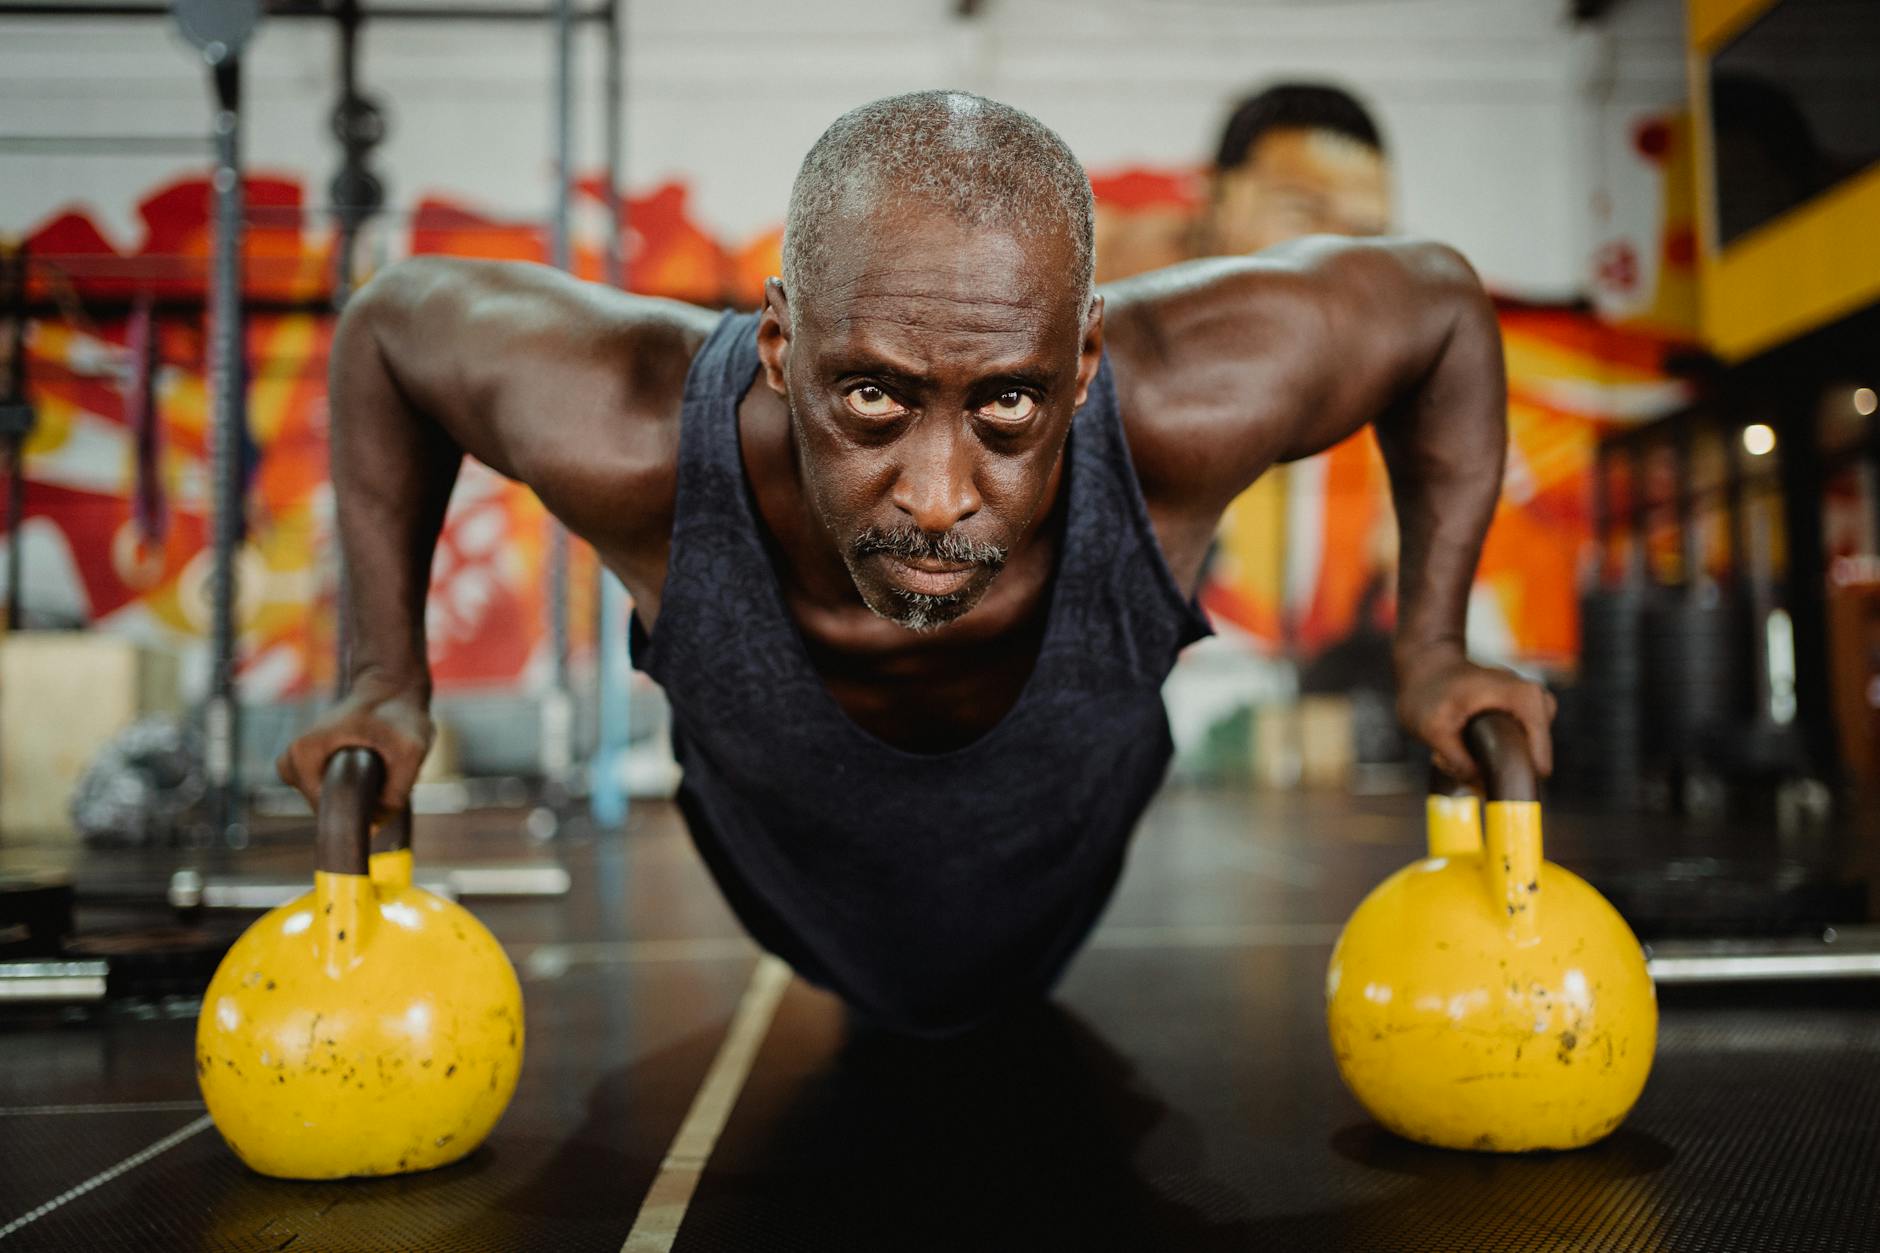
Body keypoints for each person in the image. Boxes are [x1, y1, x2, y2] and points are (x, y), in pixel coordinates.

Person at [279, 90, 1553, 1036]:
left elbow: (1436, 306)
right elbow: (392, 328)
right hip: (787, 880)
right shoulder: (634, 432)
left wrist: (1431, 643)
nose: (939, 499)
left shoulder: (1178, 409)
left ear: (1084, 364)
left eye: (1006, 406)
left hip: (1064, 858)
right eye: (873, 399)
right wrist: (385, 673)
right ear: (779, 346)